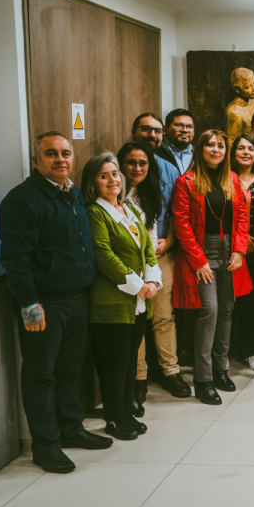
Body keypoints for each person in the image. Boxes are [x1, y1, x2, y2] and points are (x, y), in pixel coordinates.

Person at [0, 132, 111, 473]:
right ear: (37, 161)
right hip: (44, 305)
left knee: (68, 371)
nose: (60, 159)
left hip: (77, 299)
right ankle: (45, 447)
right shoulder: (22, 200)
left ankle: (71, 429)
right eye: (51, 154)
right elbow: (16, 260)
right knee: (40, 375)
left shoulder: (73, 194)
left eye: (65, 153)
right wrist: (29, 305)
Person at [82, 152, 161, 440]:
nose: (112, 179)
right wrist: (139, 284)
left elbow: (147, 250)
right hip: (112, 303)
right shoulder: (95, 213)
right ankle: (115, 419)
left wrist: (153, 280)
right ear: (92, 184)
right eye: (104, 176)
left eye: (115, 174)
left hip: (137, 303)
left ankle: (126, 412)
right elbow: (104, 255)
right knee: (114, 366)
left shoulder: (128, 209)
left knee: (128, 362)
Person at [173, 130, 252, 405]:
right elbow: (181, 224)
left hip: (230, 251)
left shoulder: (232, 179)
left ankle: (221, 370)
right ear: (201, 149)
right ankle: (203, 379)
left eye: (220, 145)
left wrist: (241, 250)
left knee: (227, 310)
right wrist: (199, 261)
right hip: (201, 252)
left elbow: (242, 217)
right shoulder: (186, 182)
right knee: (210, 311)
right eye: (210, 145)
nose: (216, 149)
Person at [118, 143, 172, 417]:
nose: (137, 168)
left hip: (146, 269)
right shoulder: (112, 191)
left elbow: (149, 241)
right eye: (130, 162)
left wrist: (151, 278)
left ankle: (166, 373)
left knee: (157, 318)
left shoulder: (148, 195)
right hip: (120, 273)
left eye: (143, 163)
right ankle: (137, 380)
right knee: (130, 330)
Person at [156, 109, 197, 366]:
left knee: (190, 300)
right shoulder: (156, 155)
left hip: (195, 236)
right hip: (167, 237)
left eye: (189, 127)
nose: (185, 131)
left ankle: (187, 350)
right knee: (166, 306)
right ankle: (167, 359)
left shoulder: (199, 155)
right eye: (179, 126)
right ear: (167, 128)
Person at [229, 134, 254, 371]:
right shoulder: (224, 179)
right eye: (241, 148)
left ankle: (251, 349)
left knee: (252, 304)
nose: (246, 152)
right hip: (231, 251)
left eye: (251, 149)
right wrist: (240, 243)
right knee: (226, 305)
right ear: (233, 153)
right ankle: (225, 350)